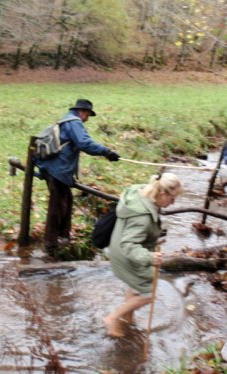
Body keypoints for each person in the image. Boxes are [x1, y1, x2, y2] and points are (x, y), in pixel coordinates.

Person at [35, 98, 120, 258]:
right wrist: (106, 152)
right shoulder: (74, 122)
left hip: (56, 169)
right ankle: (51, 244)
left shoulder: (66, 120)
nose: (87, 118)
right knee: (57, 206)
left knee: (66, 201)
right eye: (87, 114)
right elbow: (84, 143)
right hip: (56, 170)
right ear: (82, 112)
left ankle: (63, 237)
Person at [103, 172, 183, 338]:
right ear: (162, 193)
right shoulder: (143, 217)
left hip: (118, 244)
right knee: (148, 295)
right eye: (172, 198)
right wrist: (150, 257)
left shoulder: (143, 192)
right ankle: (112, 318)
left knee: (135, 286)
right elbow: (129, 245)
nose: (173, 202)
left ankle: (128, 319)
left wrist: (153, 241)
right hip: (125, 254)